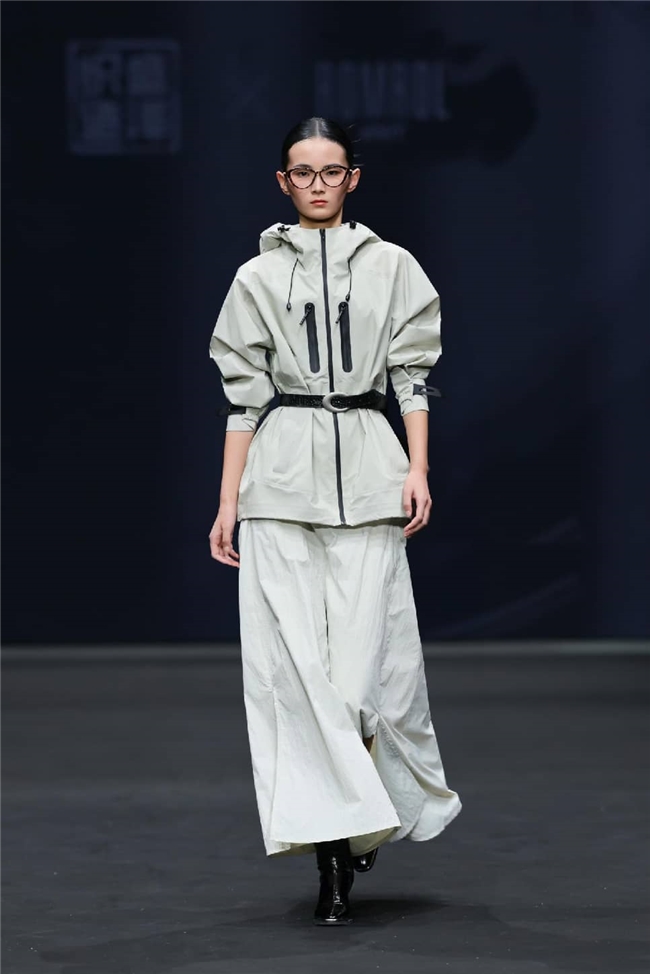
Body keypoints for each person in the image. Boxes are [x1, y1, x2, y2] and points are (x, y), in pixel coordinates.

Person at [208, 117, 462, 926]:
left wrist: (417, 468)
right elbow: (243, 398)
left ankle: (361, 818)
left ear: (353, 177)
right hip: (280, 482)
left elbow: (412, 375)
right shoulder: (255, 277)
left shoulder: (394, 267)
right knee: (296, 677)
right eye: (302, 171)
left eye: (330, 171)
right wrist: (227, 501)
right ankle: (333, 858)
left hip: (370, 469)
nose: (316, 184)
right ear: (283, 181)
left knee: (359, 682)